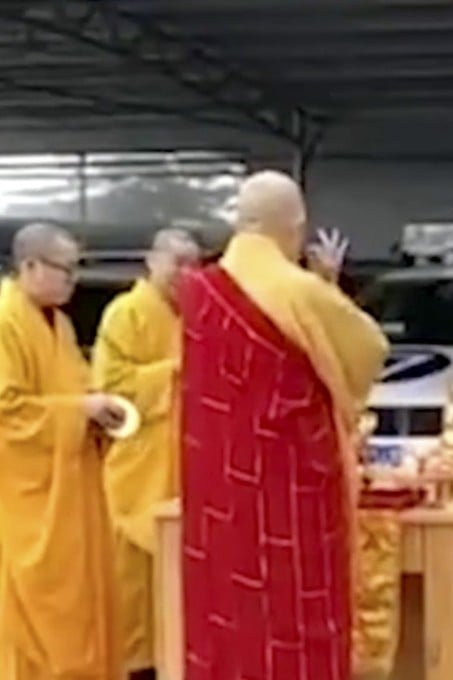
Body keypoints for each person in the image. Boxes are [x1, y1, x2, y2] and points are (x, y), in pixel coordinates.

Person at [179, 170, 389, 680]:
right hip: (287, 486)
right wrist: (326, 287)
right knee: (294, 613)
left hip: (218, 488)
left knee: (224, 607)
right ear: (292, 228)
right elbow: (368, 352)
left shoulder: (198, 291)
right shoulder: (296, 289)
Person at [0, 222, 123, 679]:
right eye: (64, 270)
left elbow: (76, 386)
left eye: (75, 270)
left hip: (72, 491)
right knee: (39, 623)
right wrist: (78, 411)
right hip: (28, 502)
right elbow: (7, 413)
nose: (72, 281)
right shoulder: (5, 320)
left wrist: (99, 412)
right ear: (29, 266)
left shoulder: (62, 325)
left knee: (82, 606)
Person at [91, 228, 201, 679]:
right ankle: (137, 668)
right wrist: (175, 373)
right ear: (151, 260)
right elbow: (111, 388)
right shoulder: (126, 313)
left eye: (193, 265)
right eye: (177, 262)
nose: (184, 274)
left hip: (186, 465)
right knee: (134, 583)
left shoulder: (195, 316)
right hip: (139, 466)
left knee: (179, 585)